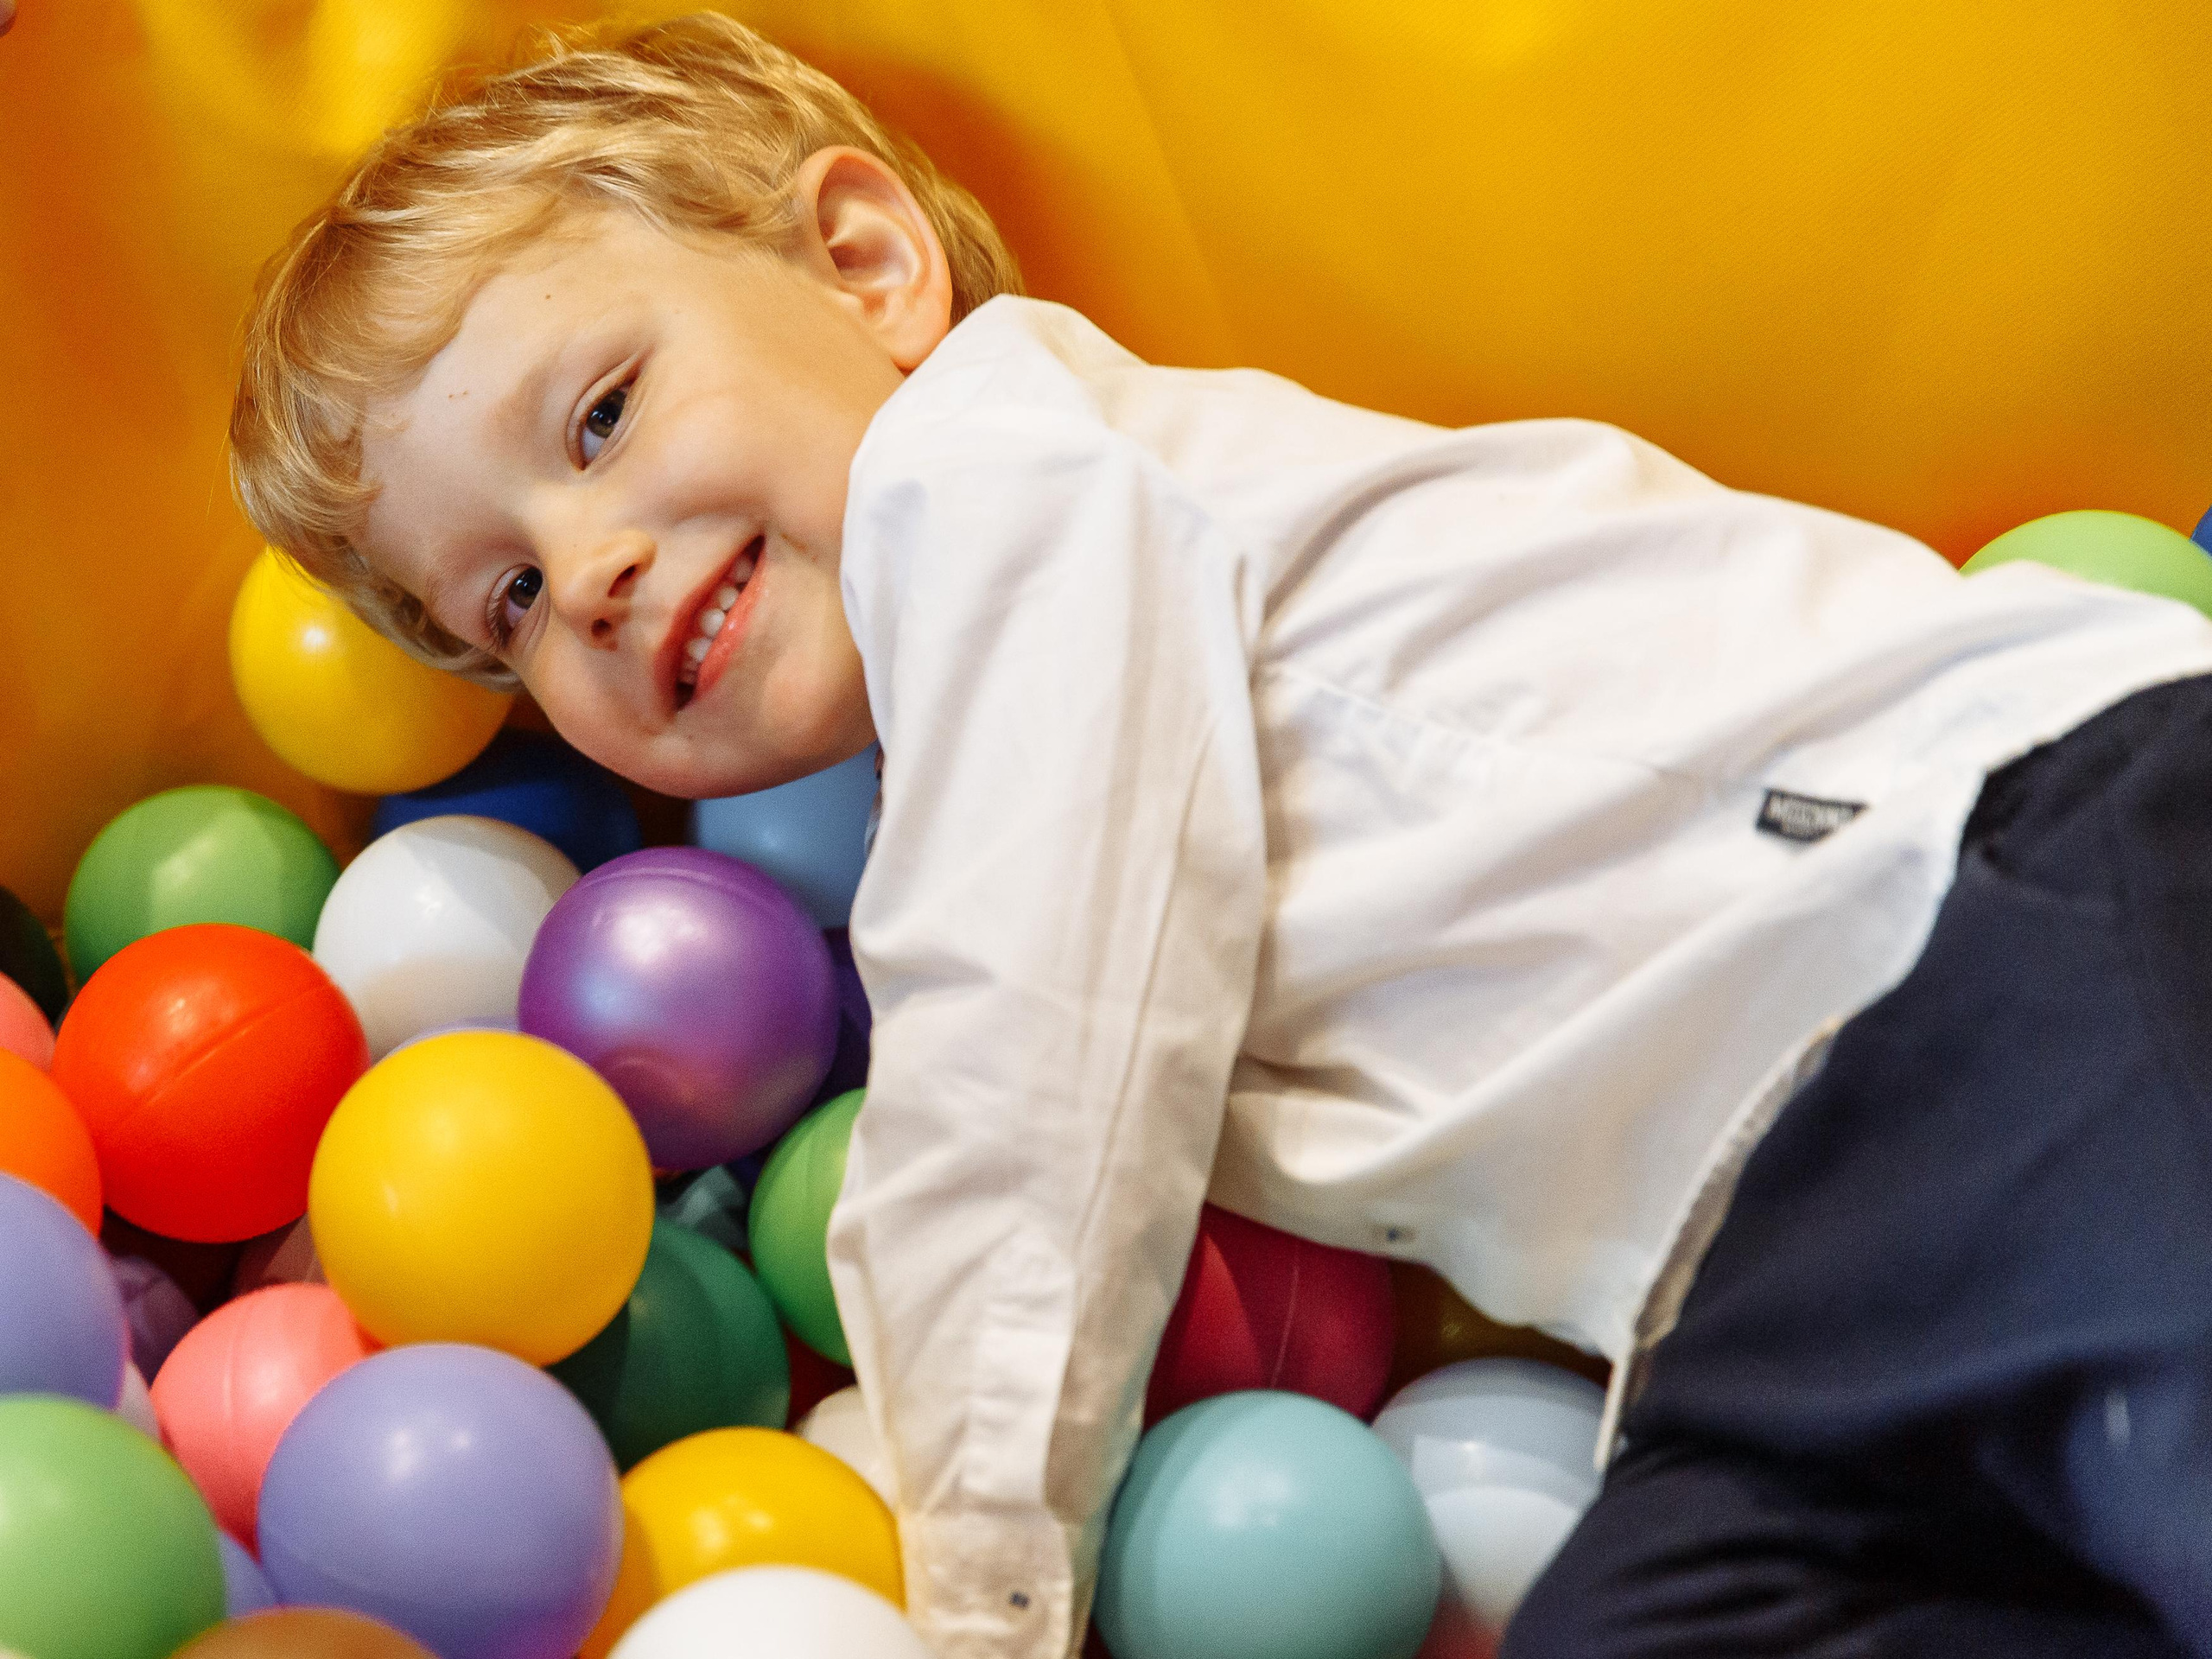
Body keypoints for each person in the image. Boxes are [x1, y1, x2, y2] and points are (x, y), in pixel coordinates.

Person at [226, 16, 2212, 1658]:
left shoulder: (1008, 476)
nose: (583, 574)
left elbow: (1025, 1052)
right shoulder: (967, 711)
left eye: (597, 423)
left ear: (866, 265)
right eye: (499, 604)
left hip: (1968, 903)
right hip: (1759, 1262)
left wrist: (951, 1584)